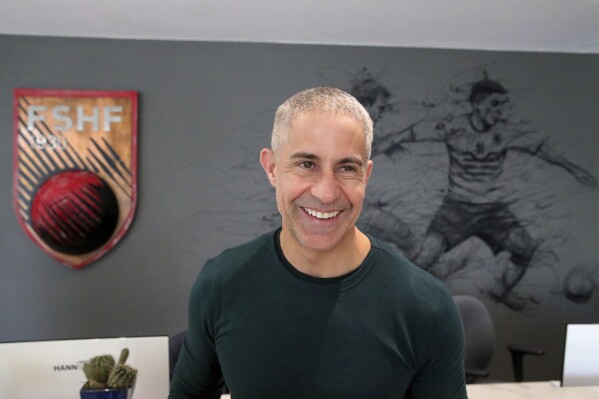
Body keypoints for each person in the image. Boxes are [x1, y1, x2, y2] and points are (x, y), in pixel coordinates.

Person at [169, 87, 467, 399]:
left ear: (365, 176)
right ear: (272, 168)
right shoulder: (222, 282)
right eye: (307, 164)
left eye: (346, 168)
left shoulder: (425, 306)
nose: (326, 193)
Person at [373, 78, 596, 310]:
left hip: (493, 211)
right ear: (477, 105)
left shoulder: (506, 133)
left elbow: (543, 150)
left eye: (502, 105)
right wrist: (369, 151)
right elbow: (406, 135)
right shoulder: (453, 128)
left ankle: (500, 291)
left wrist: (575, 170)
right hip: (457, 208)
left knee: (525, 248)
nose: (500, 111)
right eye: (495, 104)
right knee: (425, 256)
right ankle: (389, 300)